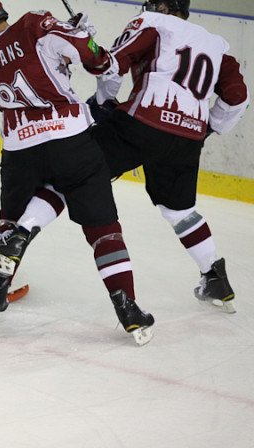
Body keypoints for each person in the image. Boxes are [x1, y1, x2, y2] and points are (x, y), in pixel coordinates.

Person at [0, 0, 155, 344]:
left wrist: (69, 37)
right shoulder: (34, 23)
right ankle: (127, 308)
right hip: (67, 139)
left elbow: (39, 64)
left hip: (19, 150)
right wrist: (88, 40)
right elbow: (88, 56)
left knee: (9, 221)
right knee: (103, 229)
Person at [87, 0, 249, 313]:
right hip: (186, 139)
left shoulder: (153, 23)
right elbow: (238, 98)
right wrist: (209, 127)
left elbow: (112, 64)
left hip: (143, 125)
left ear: (162, 6)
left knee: (73, 168)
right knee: (180, 211)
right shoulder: (216, 45)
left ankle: (17, 237)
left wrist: (103, 102)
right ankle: (214, 275)